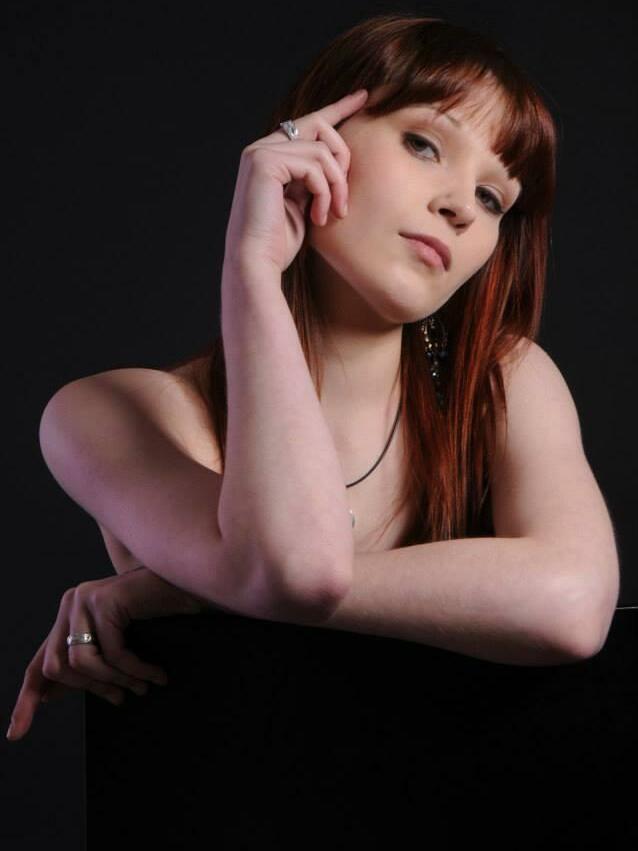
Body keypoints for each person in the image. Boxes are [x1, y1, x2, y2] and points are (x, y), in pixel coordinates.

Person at [7, 13, 620, 742]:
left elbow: (574, 606)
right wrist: (252, 269)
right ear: (315, 138)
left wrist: (189, 589)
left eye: (493, 198)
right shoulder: (114, 412)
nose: (461, 208)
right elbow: (296, 572)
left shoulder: (505, 380)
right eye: (425, 144)